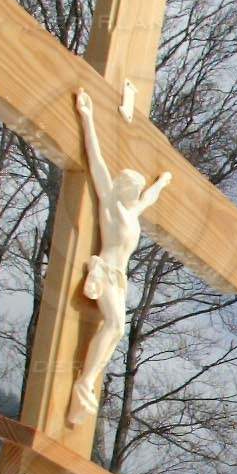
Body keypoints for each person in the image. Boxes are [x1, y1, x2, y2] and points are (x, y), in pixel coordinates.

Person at [69, 88, 170, 426]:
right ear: (122, 187)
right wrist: (87, 117)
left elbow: (150, 199)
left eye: (137, 190)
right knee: (114, 325)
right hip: (107, 270)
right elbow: (96, 160)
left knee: (116, 331)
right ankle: (84, 382)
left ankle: (88, 380)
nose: (136, 193)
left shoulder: (131, 212)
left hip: (120, 278)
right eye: (132, 188)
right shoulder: (110, 204)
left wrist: (163, 183)